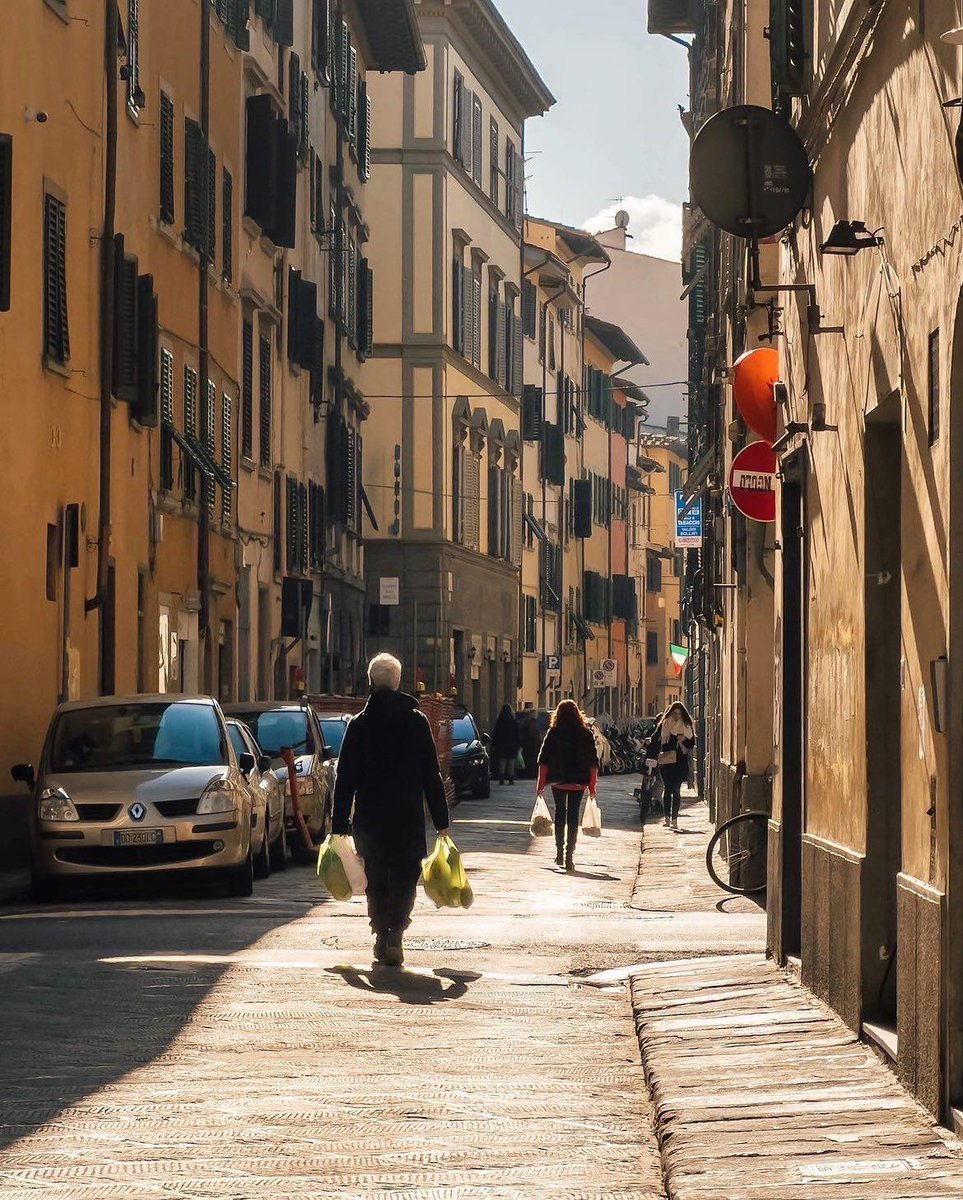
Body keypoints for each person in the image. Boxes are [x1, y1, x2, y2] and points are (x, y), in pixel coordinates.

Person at [332, 653, 449, 967]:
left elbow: (345, 777)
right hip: (407, 816)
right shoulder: (416, 722)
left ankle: (381, 932)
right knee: (405, 874)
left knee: (376, 875)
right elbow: (431, 773)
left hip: (370, 817)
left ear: (371, 682)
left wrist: (338, 823)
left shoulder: (359, 725)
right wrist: (442, 821)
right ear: (399, 683)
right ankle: (395, 931)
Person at [535, 700, 599, 872]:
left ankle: (559, 853)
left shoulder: (553, 733)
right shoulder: (586, 734)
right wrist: (592, 787)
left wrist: (540, 784)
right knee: (573, 816)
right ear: (578, 714)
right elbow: (593, 762)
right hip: (578, 782)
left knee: (559, 814)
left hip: (558, 781)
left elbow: (543, 760)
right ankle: (570, 856)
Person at [656, 702, 695, 831]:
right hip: (667, 763)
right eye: (674, 713)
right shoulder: (665, 724)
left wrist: (683, 739)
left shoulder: (686, 726)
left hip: (680, 763)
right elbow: (658, 739)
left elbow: (691, 744)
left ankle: (675, 819)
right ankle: (667, 818)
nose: (677, 716)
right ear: (671, 713)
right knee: (667, 790)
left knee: (676, 791)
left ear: (682, 714)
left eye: (679, 713)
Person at [490, 704, 521, 784]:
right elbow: (517, 734)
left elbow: (496, 733)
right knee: (511, 762)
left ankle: (501, 778)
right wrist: (518, 744)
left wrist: (494, 744)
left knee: (502, 761)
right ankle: (510, 778)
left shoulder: (500, 721)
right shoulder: (513, 721)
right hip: (512, 745)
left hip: (502, 745)